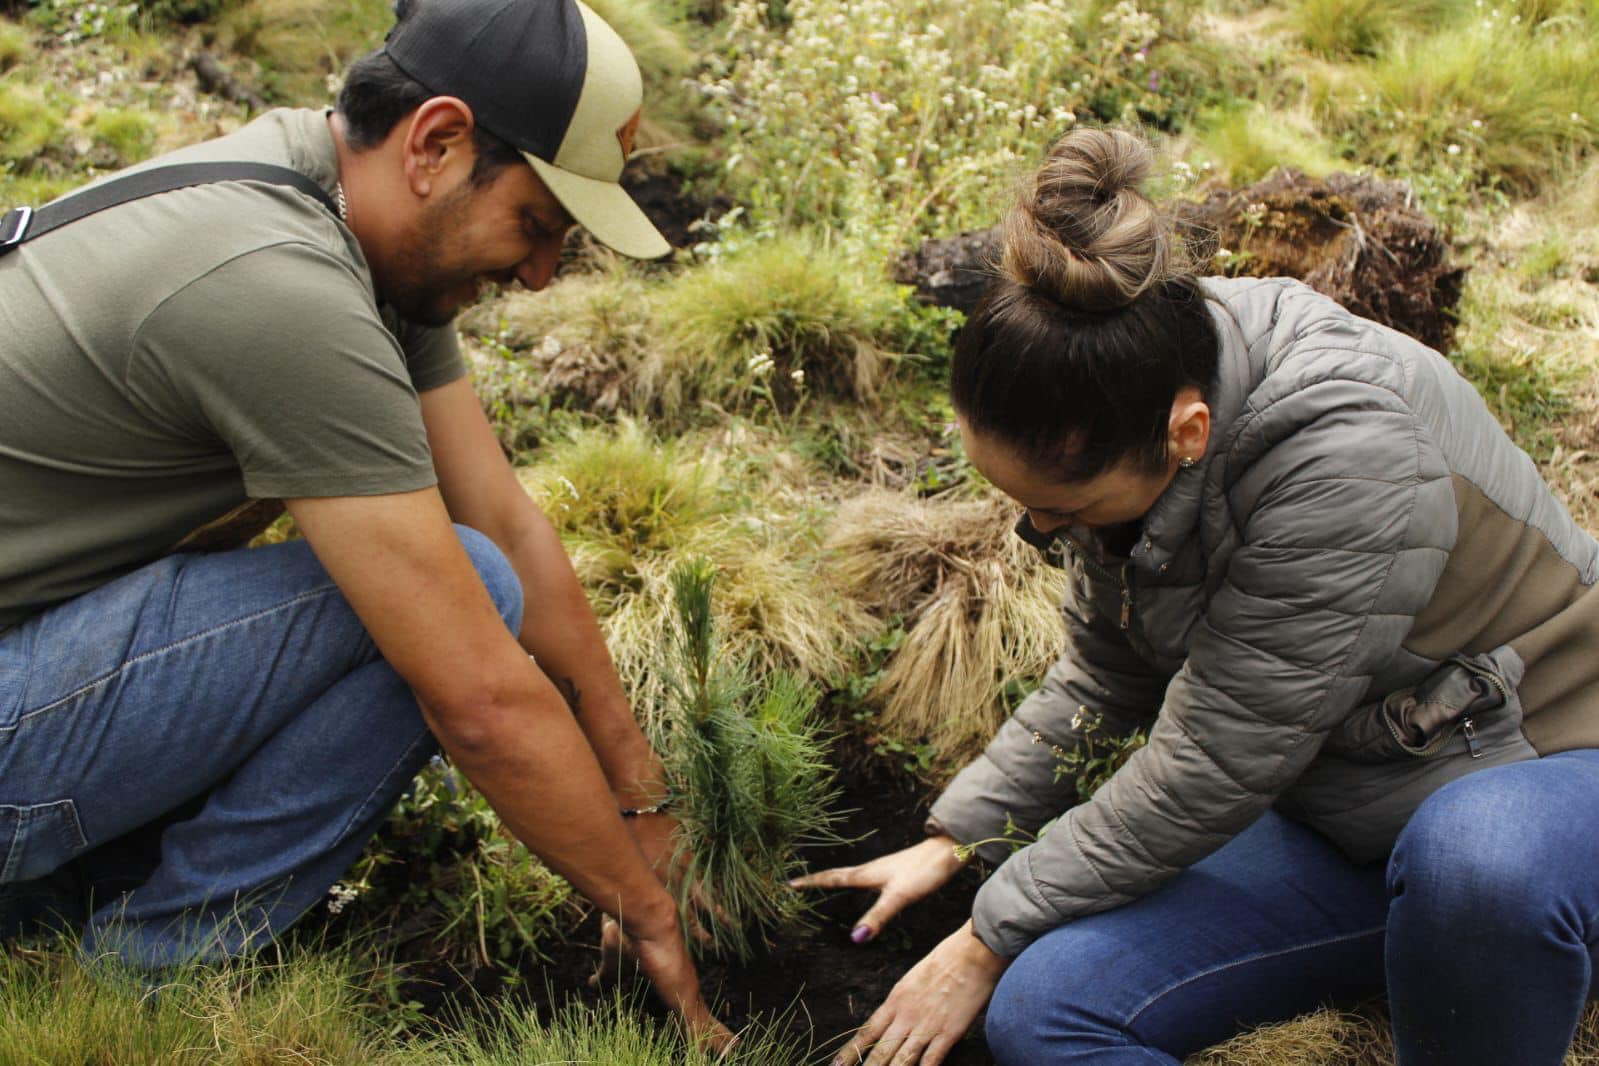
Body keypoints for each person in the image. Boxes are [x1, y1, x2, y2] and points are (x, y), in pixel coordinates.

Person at [0, 0, 730, 1048]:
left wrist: (639, 796)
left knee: (471, 570)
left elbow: (509, 522)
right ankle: (147, 976)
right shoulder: (281, 288)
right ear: (436, 142)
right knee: (454, 600)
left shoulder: (339, 210)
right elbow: (477, 692)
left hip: (31, 653)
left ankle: (60, 895)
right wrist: (644, 909)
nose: (537, 276)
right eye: (537, 224)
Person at [797, 127, 1599, 1066]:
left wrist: (986, 932)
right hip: (1351, 804)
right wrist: (957, 837)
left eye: (1060, 509)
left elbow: (1218, 755)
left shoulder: (1346, 449)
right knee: (1049, 1013)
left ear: (1189, 431)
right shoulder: (1120, 371)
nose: (1040, 534)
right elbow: (1105, 676)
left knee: (1477, 863)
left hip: (1543, 772)